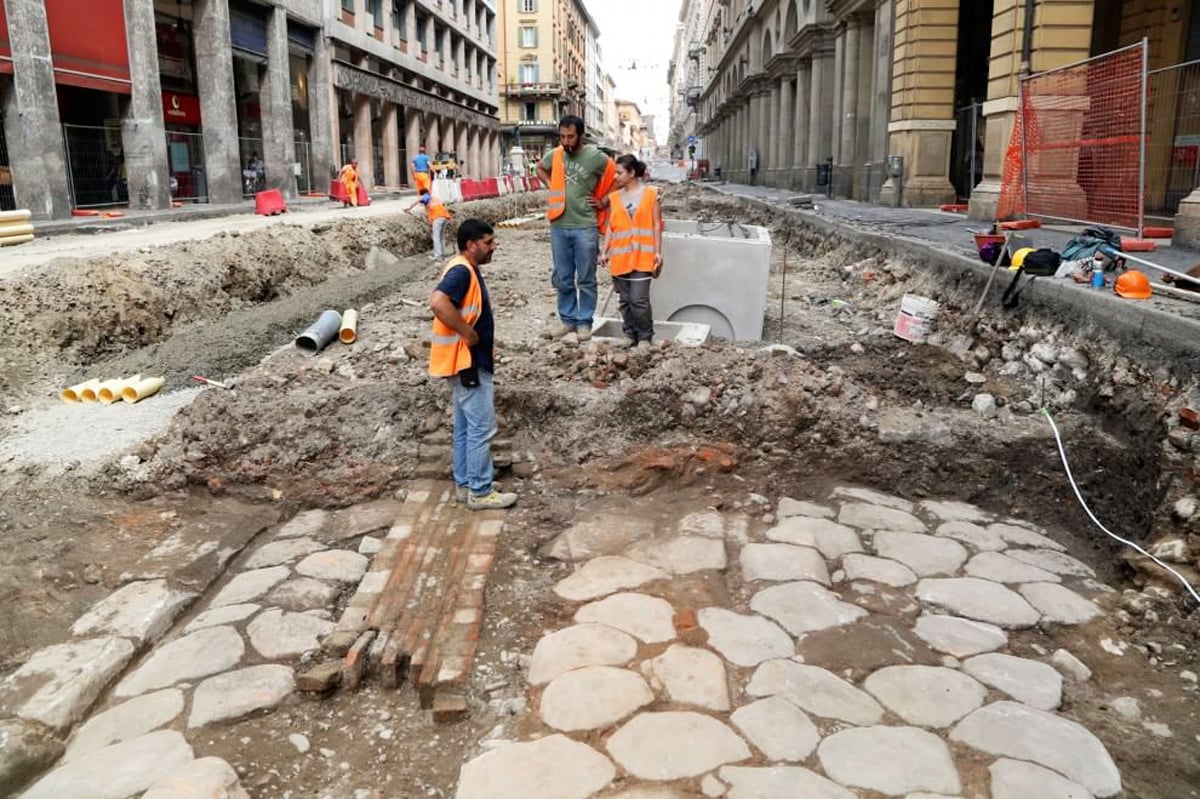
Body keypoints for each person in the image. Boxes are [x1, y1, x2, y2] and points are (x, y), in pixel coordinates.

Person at [428, 219, 517, 511]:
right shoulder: (461, 272)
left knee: (466, 428)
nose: (494, 247)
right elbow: (439, 302)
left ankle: (466, 484)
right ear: (471, 245)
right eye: (488, 242)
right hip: (467, 362)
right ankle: (480, 491)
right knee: (481, 428)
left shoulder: (465, 269)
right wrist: (468, 333)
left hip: (462, 361)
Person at [536, 115, 616, 342]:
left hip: (585, 226)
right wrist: (551, 185)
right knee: (562, 277)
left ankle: (584, 322)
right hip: (559, 224)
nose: (566, 141)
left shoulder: (597, 158)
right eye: (562, 137)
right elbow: (540, 168)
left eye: (570, 137)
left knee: (586, 278)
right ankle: (568, 320)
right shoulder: (557, 155)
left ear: (581, 135)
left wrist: (604, 201)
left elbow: (617, 179)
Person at [601, 154, 663, 351]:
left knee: (639, 299)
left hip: (643, 257)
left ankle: (645, 336)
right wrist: (605, 250)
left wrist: (658, 252)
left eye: (619, 173)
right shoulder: (614, 198)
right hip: (620, 258)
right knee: (626, 300)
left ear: (632, 173)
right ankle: (630, 334)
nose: (615, 177)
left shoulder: (651, 194)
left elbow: (656, 225)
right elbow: (611, 226)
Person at [406, 188, 452, 260]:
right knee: (441, 237)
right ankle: (442, 254)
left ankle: (438, 256)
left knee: (436, 237)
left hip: (438, 217)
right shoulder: (435, 198)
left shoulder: (426, 196)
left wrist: (409, 208)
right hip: (444, 217)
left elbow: (420, 200)